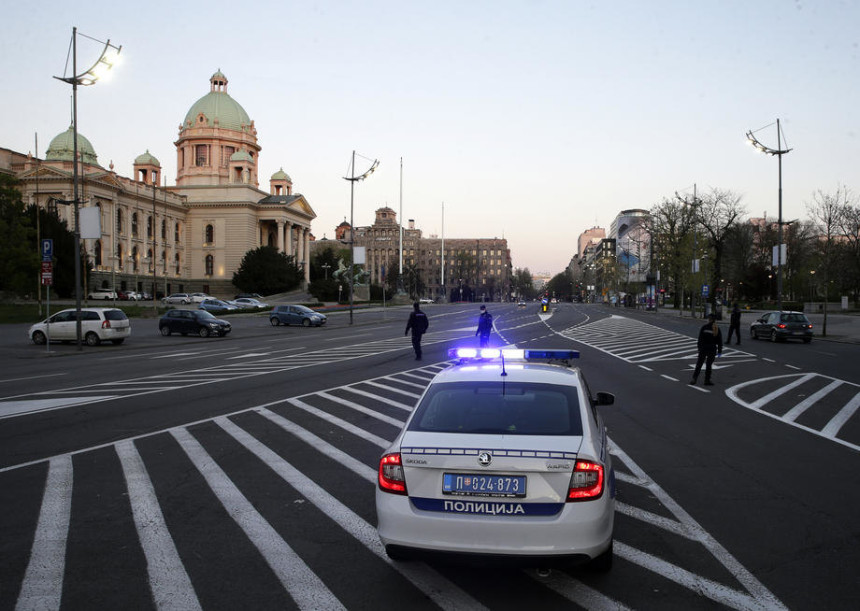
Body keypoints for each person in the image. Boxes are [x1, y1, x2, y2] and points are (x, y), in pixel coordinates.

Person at [690, 312, 723, 386]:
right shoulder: (716, 329)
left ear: (709, 319)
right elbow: (719, 341)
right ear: (715, 320)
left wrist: (699, 347)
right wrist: (719, 351)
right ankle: (707, 380)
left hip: (703, 348)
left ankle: (694, 379)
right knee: (709, 365)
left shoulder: (704, 327)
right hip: (712, 349)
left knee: (699, 364)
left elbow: (700, 339)